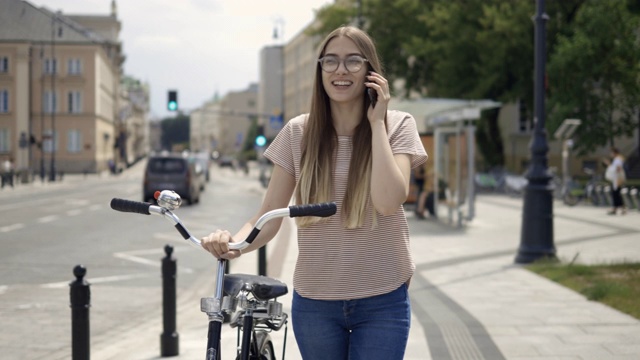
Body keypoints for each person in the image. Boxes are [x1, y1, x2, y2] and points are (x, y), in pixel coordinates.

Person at [201, 26, 427, 360]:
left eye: (353, 61)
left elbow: (388, 200)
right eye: (330, 61)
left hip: (382, 299)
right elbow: (268, 216)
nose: (341, 70)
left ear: (370, 71)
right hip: (316, 304)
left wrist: (377, 123)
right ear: (320, 70)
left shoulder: (398, 124)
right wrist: (232, 244)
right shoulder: (298, 133)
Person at [604, 146, 626, 215]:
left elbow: (618, 168)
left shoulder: (618, 159)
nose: (611, 154)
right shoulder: (617, 159)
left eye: (612, 153)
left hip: (617, 179)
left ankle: (620, 208)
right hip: (616, 179)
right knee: (616, 194)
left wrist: (609, 165)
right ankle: (617, 209)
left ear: (615, 153)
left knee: (616, 194)